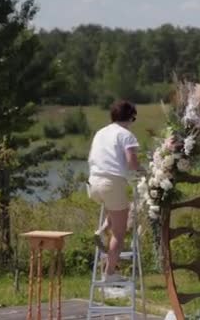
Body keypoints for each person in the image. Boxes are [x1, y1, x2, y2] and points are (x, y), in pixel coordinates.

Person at [87, 100, 142, 282]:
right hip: (111, 182)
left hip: (93, 183)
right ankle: (109, 274)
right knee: (119, 232)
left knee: (117, 209)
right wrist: (143, 173)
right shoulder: (126, 134)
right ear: (130, 117)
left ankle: (102, 229)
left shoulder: (101, 132)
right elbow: (132, 161)